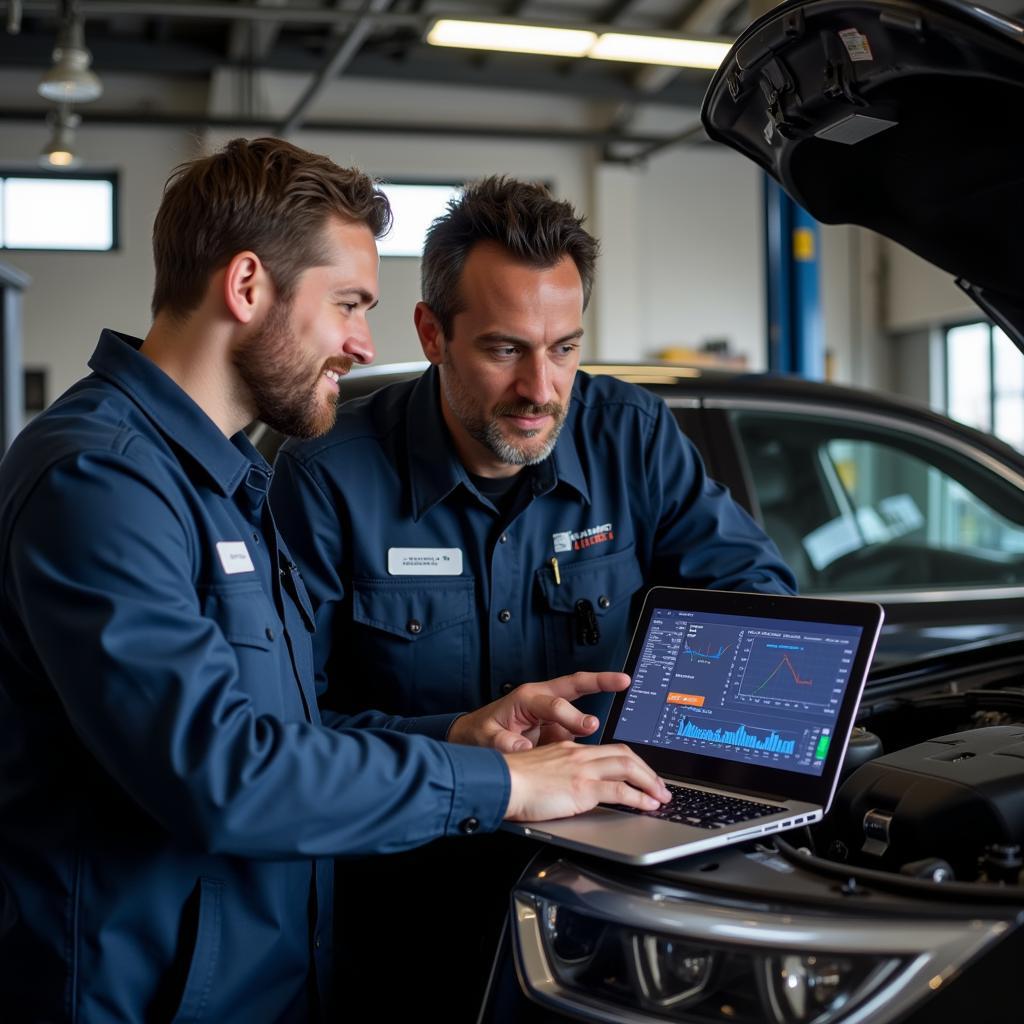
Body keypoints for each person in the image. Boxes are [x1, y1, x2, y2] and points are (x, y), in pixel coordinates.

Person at [0, 139, 669, 1024]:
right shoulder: (100, 479)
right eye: (350, 304)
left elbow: (285, 733)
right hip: (140, 998)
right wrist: (512, 788)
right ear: (247, 287)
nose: (363, 342)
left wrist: (460, 737)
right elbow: (224, 774)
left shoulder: (224, 482)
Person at [268, 176, 797, 1020]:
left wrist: (647, 725)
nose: (542, 390)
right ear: (432, 333)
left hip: (607, 897)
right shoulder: (327, 480)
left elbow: (760, 599)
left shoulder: (633, 436)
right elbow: (284, 736)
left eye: (565, 348)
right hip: (405, 909)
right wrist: (457, 741)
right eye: (506, 350)